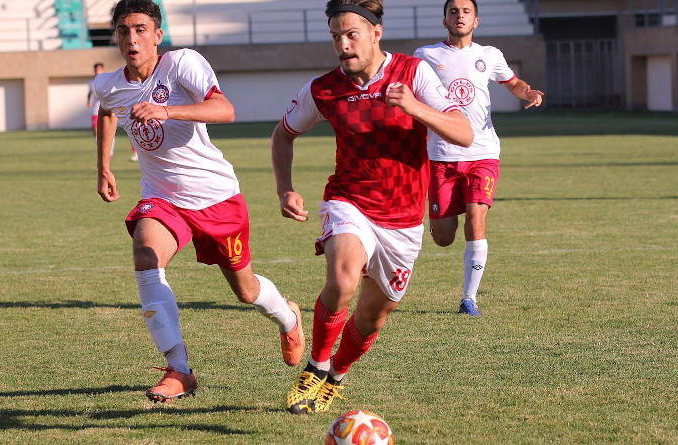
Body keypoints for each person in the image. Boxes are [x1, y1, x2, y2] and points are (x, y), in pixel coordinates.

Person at [92, 0, 305, 404]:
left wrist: (166, 111)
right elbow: (107, 112)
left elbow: (224, 109)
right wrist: (104, 166)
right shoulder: (108, 84)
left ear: (157, 35)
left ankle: (289, 317)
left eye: (140, 29)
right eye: (123, 30)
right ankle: (180, 370)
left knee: (245, 291)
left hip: (215, 197)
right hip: (162, 198)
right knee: (146, 257)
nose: (131, 38)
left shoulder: (181, 64)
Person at [272, 0, 473, 414]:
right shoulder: (323, 89)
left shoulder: (413, 73)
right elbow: (283, 134)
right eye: (335, 37)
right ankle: (315, 366)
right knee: (343, 281)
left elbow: (464, 133)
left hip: (402, 218)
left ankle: (336, 376)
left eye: (351, 34)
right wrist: (285, 190)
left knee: (371, 318)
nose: (342, 44)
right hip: (349, 201)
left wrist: (414, 106)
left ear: (376, 34)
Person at [413, 0, 544, 316]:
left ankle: (468, 299)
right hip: (441, 156)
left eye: (466, 11)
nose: (460, 16)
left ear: (476, 20)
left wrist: (529, 93)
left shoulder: (490, 55)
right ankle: (442, 229)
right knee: (443, 237)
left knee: (476, 217)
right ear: (445, 20)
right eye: (453, 11)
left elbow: (513, 82)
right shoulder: (425, 56)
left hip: (483, 152)